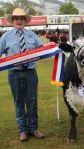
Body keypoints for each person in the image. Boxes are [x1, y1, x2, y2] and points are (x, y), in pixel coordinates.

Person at [0, 8, 44, 142]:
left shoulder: (32, 35)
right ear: (12, 21)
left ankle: (34, 128)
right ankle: (23, 130)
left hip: (31, 73)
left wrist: (51, 47)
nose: (19, 20)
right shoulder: (5, 37)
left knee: (32, 101)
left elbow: (41, 50)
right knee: (18, 102)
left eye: (22, 18)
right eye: (16, 18)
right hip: (14, 74)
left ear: (25, 21)